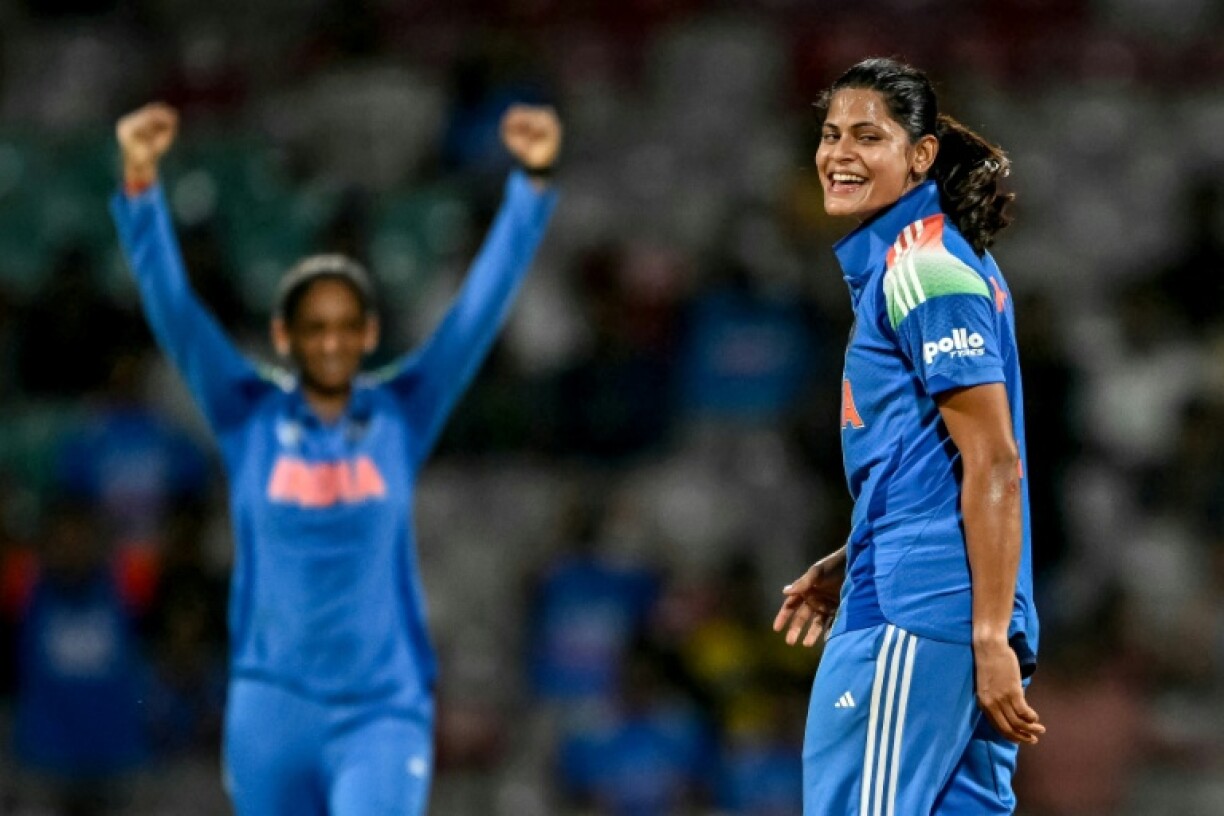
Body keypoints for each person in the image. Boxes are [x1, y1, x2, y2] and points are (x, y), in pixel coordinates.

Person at [110, 100, 561, 815]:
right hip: (269, 710)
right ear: (283, 337)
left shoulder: (400, 413)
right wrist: (140, 185)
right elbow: (175, 312)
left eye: (347, 326)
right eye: (314, 327)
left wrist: (530, 188)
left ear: (369, 334)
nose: (331, 342)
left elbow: (476, 311)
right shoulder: (246, 414)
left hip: (379, 708)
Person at [771, 58, 1042, 815]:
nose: (839, 154)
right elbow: (940, 453)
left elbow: (994, 459)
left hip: (916, 611)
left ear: (920, 155)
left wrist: (986, 635)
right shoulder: (934, 260)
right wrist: (851, 552)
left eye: (868, 136)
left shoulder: (923, 266)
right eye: (830, 135)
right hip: (938, 606)